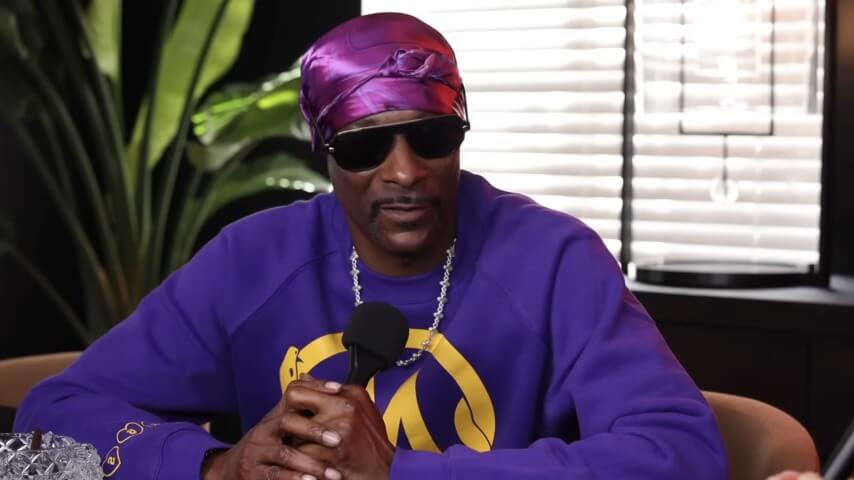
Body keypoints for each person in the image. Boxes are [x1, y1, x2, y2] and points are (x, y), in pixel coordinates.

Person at [15, 12, 728, 480]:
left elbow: (681, 453)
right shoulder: (252, 261)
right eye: (364, 148)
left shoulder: (555, 261)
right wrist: (215, 467)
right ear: (325, 154)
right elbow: (47, 425)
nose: (405, 172)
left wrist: (396, 471)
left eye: (431, 138)